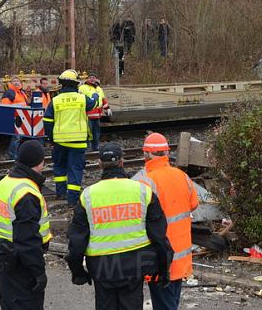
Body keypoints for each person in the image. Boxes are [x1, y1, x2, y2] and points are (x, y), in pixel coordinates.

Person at [67, 142, 173, 310]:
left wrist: (78, 272)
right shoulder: (142, 191)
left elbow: (77, 240)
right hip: (134, 264)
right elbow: (159, 236)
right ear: (122, 162)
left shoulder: (88, 196)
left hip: (102, 267)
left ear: (100, 164)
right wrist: (163, 268)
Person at [133, 133, 199, 310]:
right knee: (171, 302)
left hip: (159, 258)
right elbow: (194, 204)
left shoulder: (144, 181)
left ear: (145, 154)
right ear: (167, 153)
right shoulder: (181, 176)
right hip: (181, 257)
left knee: (164, 305)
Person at [0, 140, 52, 310]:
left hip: (4, 252)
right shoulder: (26, 193)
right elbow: (27, 239)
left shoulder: (6, 182)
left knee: (10, 302)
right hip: (21, 260)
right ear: (39, 163)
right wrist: (38, 271)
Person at [42, 69, 98, 206]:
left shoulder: (55, 100)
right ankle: (72, 200)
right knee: (75, 169)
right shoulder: (81, 98)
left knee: (60, 167)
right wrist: (95, 96)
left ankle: (60, 193)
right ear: (75, 84)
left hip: (60, 141)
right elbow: (94, 104)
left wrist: (51, 138)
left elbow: (47, 121)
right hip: (78, 142)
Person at [79, 72, 110, 152]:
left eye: (94, 77)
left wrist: (107, 108)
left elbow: (102, 100)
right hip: (87, 115)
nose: (92, 79)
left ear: (96, 79)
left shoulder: (99, 89)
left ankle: (95, 147)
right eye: (90, 77)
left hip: (97, 115)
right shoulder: (83, 88)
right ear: (88, 79)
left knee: (96, 133)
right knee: (87, 133)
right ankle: (86, 148)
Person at [1, 76, 30, 160]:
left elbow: (26, 103)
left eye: (18, 81)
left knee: (20, 137)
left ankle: (16, 155)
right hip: (14, 117)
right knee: (16, 137)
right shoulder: (9, 93)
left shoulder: (22, 92)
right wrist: (18, 105)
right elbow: (4, 106)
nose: (16, 82)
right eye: (14, 81)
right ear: (11, 83)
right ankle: (12, 156)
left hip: (22, 117)